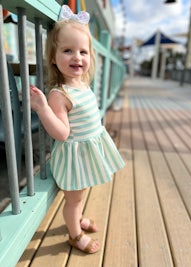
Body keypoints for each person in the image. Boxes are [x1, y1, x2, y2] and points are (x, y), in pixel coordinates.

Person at [30, 5, 125, 254]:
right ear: (53, 56)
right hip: (74, 158)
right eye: (68, 50)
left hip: (87, 152)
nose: (77, 57)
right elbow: (61, 132)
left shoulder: (82, 83)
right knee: (73, 200)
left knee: (80, 196)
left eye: (83, 51)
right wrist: (42, 108)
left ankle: (78, 217)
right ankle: (74, 234)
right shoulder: (59, 94)